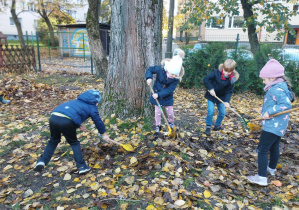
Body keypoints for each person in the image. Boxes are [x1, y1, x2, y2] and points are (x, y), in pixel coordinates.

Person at [33, 89, 111, 175]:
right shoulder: (92, 106)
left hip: (54, 117)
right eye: (98, 102)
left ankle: (42, 161)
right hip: (66, 121)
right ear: (96, 101)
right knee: (74, 143)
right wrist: (104, 134)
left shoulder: (75, 101)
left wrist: (78, 125)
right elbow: (98, 121)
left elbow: (71, 113)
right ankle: (82, 167)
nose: (97, 104)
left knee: (53, 140)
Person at [247, 59, 294, 186]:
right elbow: (276, 102)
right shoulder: (281, 87)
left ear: (272, 77)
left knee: (262, 149)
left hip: (272, 125)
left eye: (265, 79)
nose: (263, 81)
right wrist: (264, 110)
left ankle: (261, 177)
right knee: (274, 147)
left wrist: (270, 111)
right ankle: (271, 169)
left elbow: (286, 105)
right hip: (279, 125)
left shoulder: (275, 89)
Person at [146, 49, 185, 137]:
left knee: (170, 112)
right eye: (173, 74)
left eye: (176, 75)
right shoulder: (161, 69)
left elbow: (169, 90)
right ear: (168, 69)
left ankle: (171, 124)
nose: (174, 76)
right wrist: (149, 78)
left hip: (167, 97)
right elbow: (150, 69)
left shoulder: (175, 80)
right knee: (158, 112)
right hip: (156, 94)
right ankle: (158, 126)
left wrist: (159, 95)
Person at [203, 59, 239, 135]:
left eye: (229, 72)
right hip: (212, 96)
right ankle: (208, 126)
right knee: (210, 111)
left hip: (221, 97)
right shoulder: (216, 73)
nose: (226, 73)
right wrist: (211, 89)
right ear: (223, 68)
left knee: (222, 113)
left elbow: (229, 91)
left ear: (232, 71)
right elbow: (206, 79)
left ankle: (217, 125)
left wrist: (226, 101)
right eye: (225, 71)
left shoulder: (231, 80)